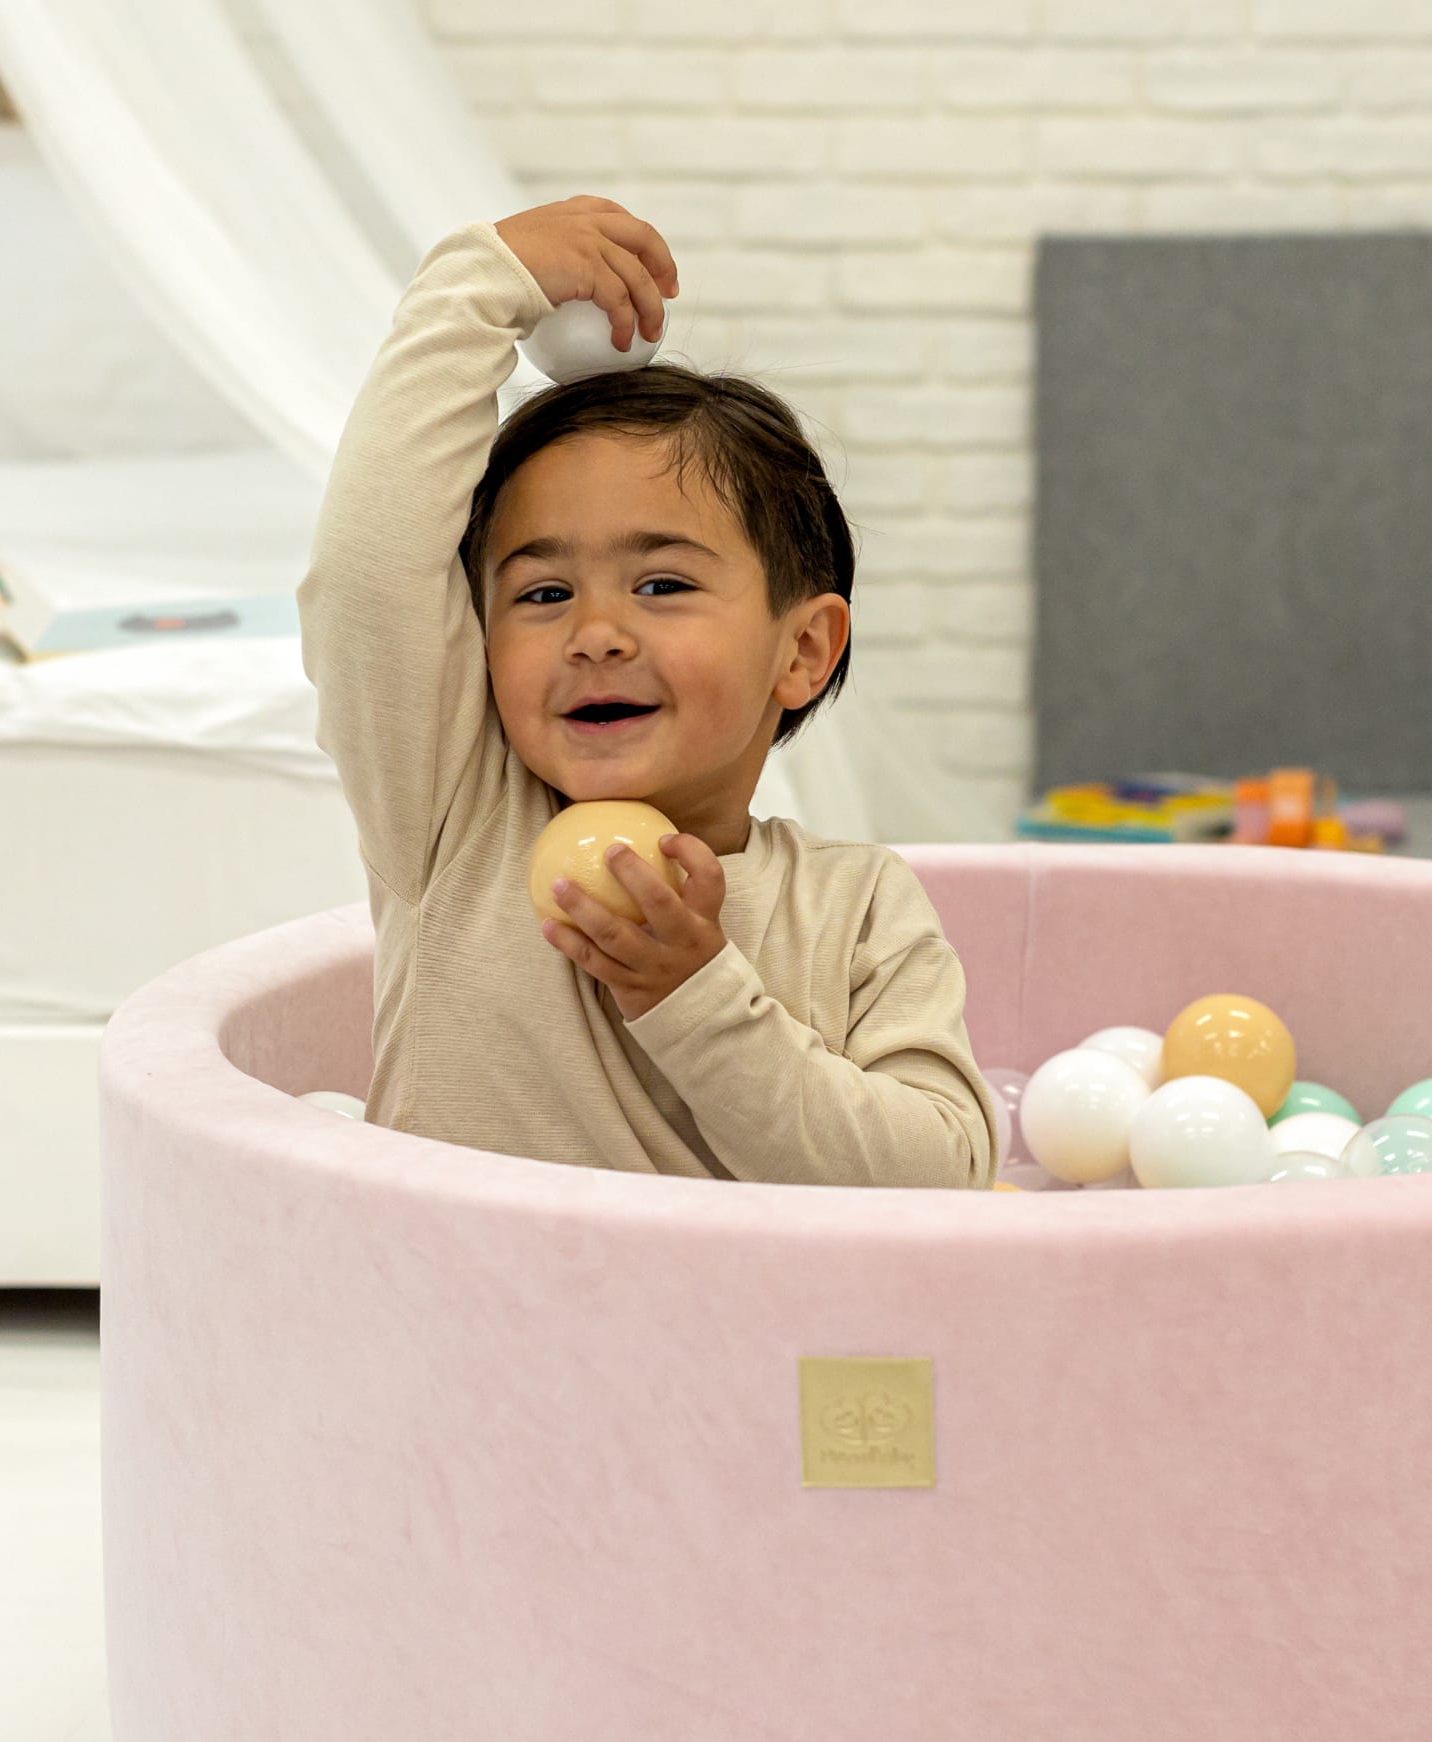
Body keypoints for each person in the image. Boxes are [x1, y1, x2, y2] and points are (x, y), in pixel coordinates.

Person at [297, 195, 998, 1187]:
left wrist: (695, 993)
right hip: (480, 1332)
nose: (593, 635)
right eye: (541, 592)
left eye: (661, 584)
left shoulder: (855, 906)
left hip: (742, 1344)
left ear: (800, 651)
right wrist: (478, 281)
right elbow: (368, 575)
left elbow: (943, 1178)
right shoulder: (456, 820)